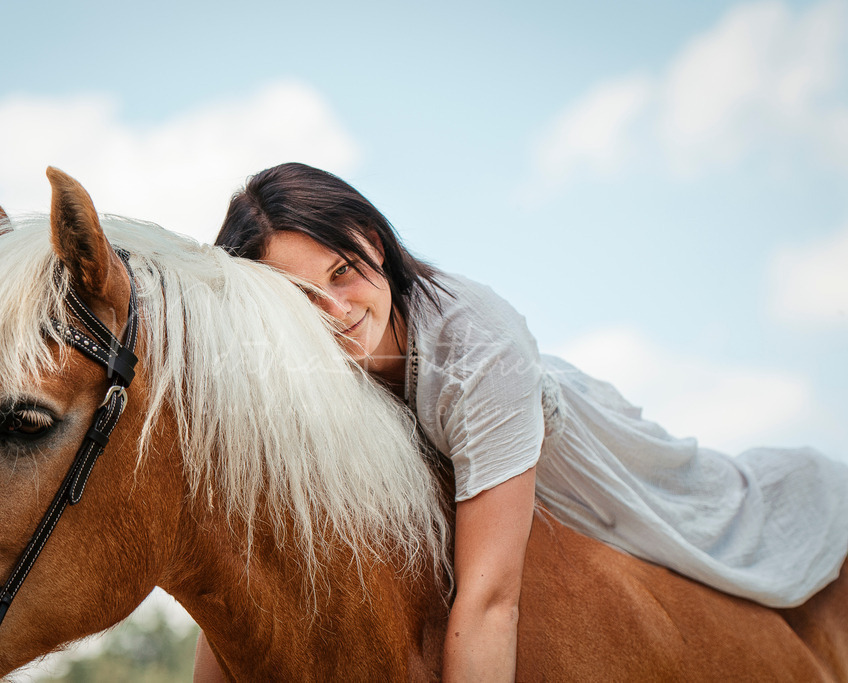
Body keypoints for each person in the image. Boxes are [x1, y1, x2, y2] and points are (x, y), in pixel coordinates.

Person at [194, 162, 848, 681]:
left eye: (344, 270)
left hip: (575, 451)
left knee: (724, 510)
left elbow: (489, 600)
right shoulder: (287, 376)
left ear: (375, 241)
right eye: (303, 298)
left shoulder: (474, 344)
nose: (336, 309)